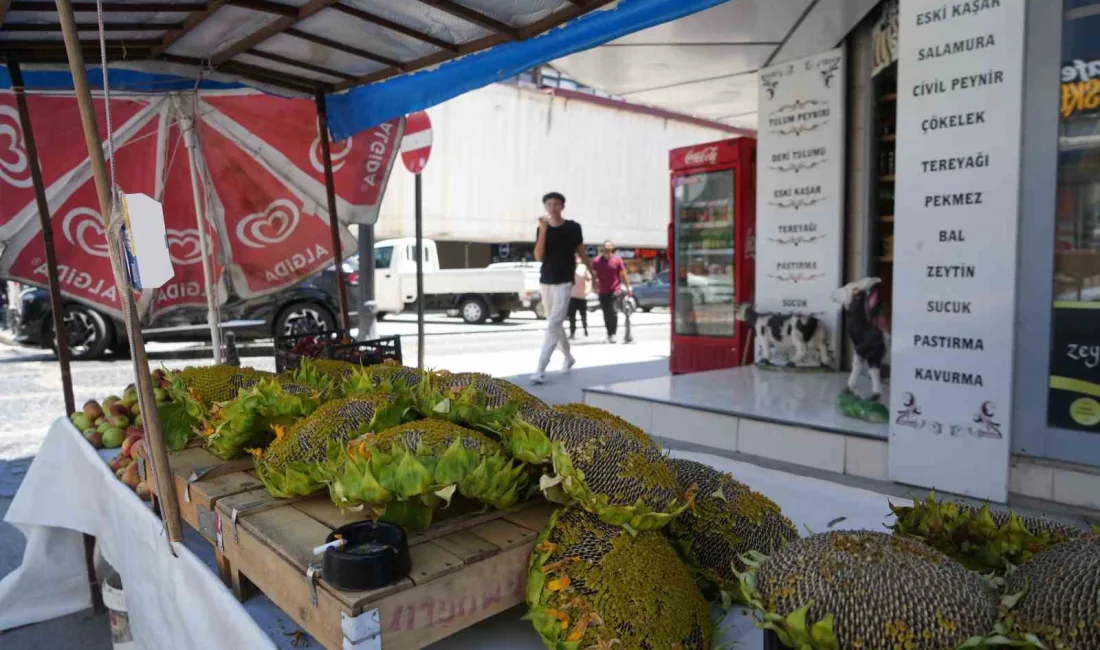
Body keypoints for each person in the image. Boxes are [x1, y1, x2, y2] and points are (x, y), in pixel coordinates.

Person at [532, 191, 596, 384]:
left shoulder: (573, 227)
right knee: (555, 322)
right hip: (546, 280)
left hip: (565, 281)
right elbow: (538, 256)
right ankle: (568, 357)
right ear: (545, 207)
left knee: (552, 324)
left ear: (562, 206)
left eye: (556, 204)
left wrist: (593, 274)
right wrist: (543, 230)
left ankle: (540, 369)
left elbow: (582, 253)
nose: (552, 208)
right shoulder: (542, 228)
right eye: (549, 204)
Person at [592, 240, 631, 343]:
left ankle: (612, 334)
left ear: (612, 248)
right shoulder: (597, 261)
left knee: (613, 312)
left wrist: (628, 288)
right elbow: (594, 275)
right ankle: (609, 334)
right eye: (605, 247)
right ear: (603, 248)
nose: (607, 249)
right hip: (602, 291)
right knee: (606, 313)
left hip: (615, 290)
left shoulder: (617, 260)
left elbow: (623, 275)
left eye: (609, 247)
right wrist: (594, 286)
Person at [568, 254, 590, 339]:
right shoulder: (569, 268)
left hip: (582, 296)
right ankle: (572, 332)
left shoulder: (583, 267)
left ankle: (585, 329)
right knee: (572, 316)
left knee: (583, 315)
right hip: (572, 296)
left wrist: (588, 290)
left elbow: (589, 279)